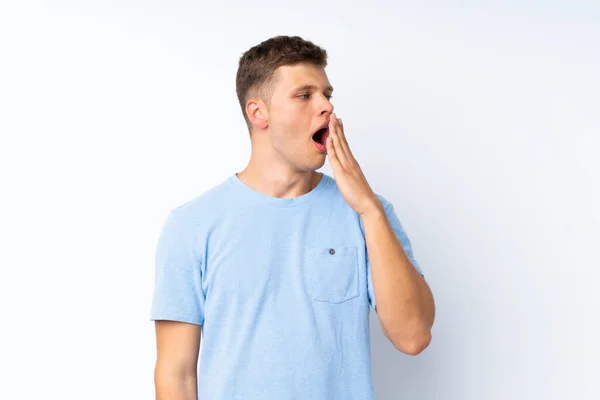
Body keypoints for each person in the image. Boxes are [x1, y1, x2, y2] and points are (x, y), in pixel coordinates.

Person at [150, 35, 435, 400]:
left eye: (327, 95)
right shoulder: (192, 225)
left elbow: (413, 337)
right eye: (305, 95)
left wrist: (368, 209)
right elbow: (176, 375)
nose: (326, 107)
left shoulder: (370, 213)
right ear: (258, 113)